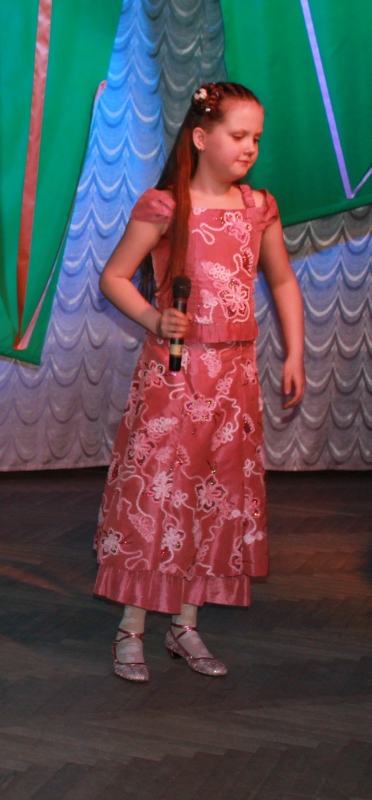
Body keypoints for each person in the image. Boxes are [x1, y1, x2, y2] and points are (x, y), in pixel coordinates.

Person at [94, 82, 304, 682]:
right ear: (202, 137)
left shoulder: (258, 207)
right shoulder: (165, 206)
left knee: (217, 494)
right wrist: (153, 318)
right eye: (238, 135)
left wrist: (295, 352)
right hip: (176, 375)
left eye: (256, 137)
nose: (250, 147)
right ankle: (131, 628)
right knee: (161, 492)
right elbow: (114, 277)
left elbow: (282, 280)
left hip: (235, 378)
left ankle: (185, 624)